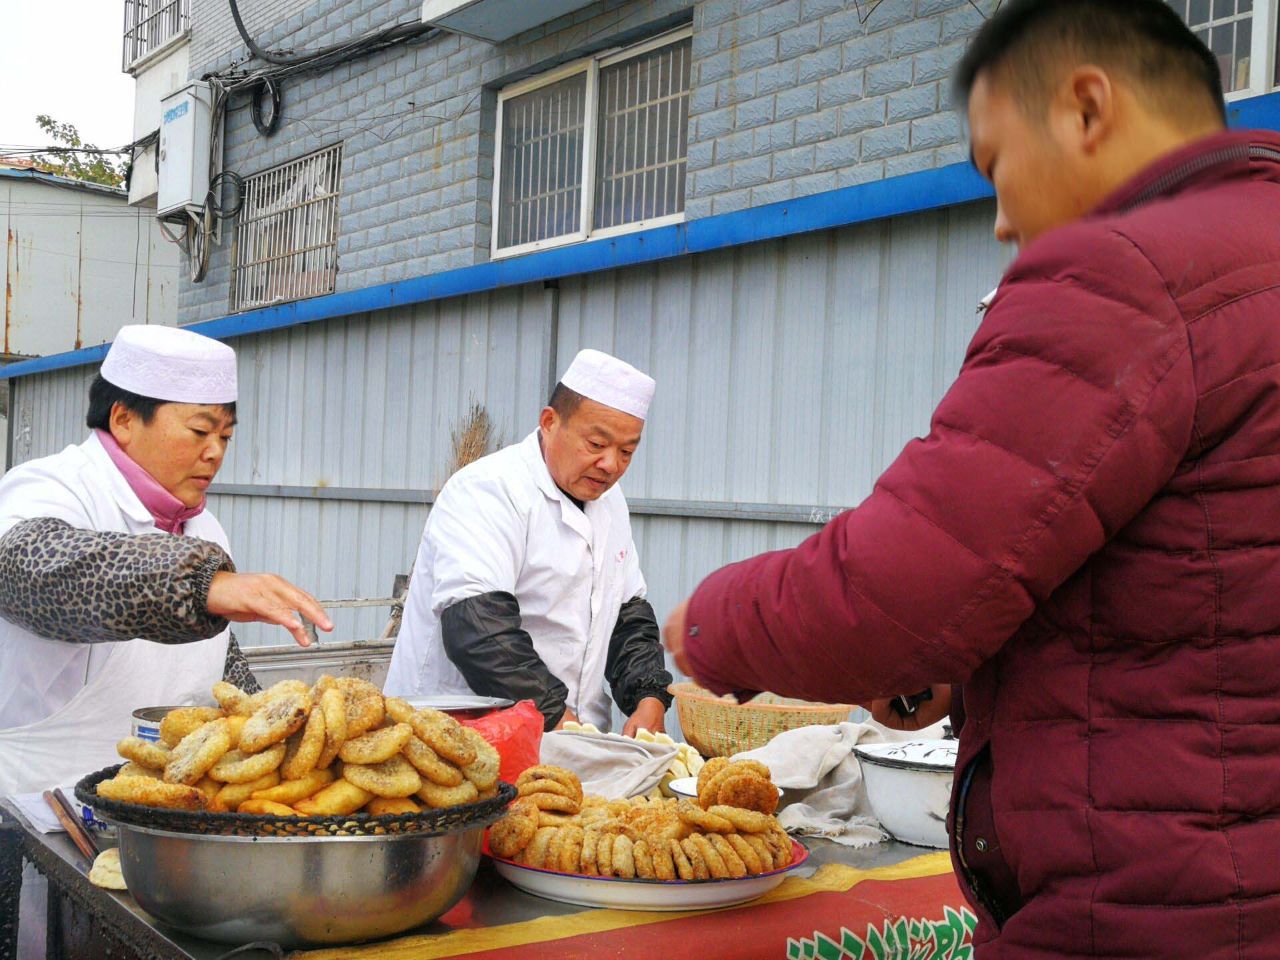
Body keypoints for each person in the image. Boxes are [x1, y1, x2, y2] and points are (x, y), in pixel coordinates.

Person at [664, 1, 1280, 954]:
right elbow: (1205, 585)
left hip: (1153, 906)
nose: (999, 222)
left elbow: (890, 592)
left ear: (1085, 107)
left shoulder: (1132, 271)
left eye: (997, 166)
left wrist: (709, 624)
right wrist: (972, 667)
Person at [0, 325, 332, 797]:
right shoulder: (52, 487)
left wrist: (273, 729)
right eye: (199, 431)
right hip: (35, 804)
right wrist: (199, 585)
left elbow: (212, 663)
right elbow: (30, 570)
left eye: (225, 437)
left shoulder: (205, 528)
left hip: (161, 806)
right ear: (123, 420)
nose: (215, 452)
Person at [386, 349, 672, 735]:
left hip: (569, 738)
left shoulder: (610, 504)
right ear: (550, 421)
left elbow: (626, 616)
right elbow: (479, 631)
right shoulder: (487, 490)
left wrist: (649, 696)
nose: (610, 465)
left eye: (626, 452)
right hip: (461, 738)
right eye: (596, 444)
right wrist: (558, 719)